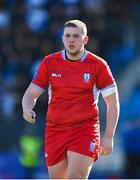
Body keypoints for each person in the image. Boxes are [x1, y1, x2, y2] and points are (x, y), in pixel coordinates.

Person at [22, 20, 120, 179]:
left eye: (76, 36)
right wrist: (27, 109)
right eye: (67, 36)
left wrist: (108, 136)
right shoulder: (49, 62)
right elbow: (30, 94)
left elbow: (113, 103)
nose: (71, 40)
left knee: (75, 177)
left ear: (85, 39)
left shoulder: (98, 65)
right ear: (62, 38)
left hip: (84, 130)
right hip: (55, 130)